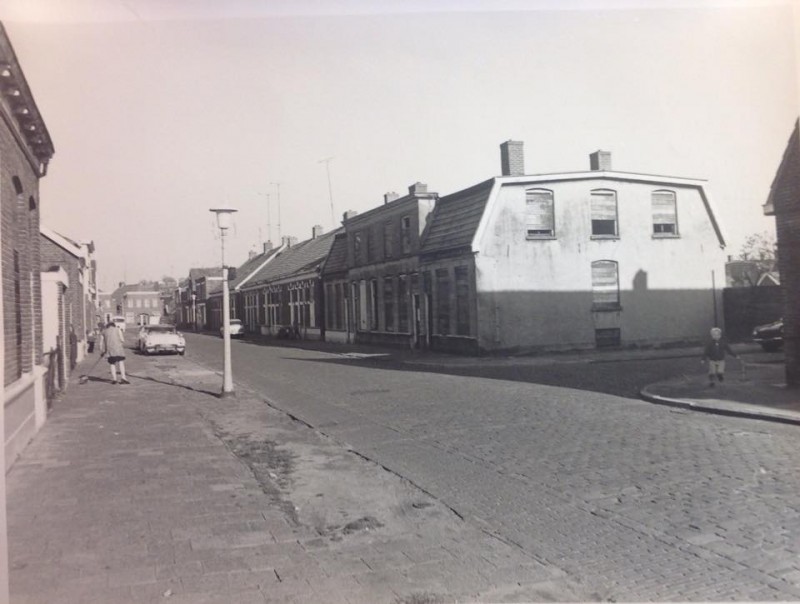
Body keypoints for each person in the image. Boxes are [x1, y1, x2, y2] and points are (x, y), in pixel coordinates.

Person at [100, 321, 130, 385]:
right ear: (114, 325)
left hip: (109, 350)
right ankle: (123, 378)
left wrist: (102, 351)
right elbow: (122, 340)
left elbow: (101, 343)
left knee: (112, 364)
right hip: (118, 349)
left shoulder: (104, 331)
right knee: (121, 363)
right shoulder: (118, 329)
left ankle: (114, 379)